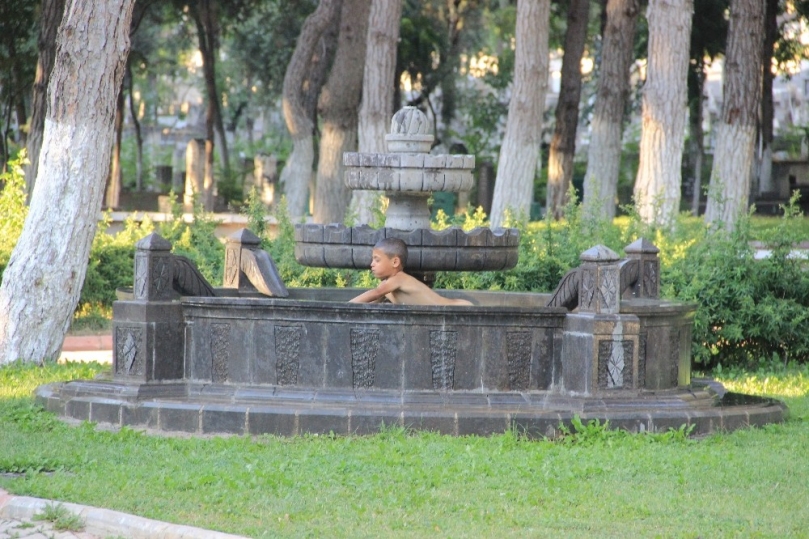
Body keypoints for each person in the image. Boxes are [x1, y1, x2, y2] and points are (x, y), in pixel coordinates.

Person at [349, 238, 473, 306]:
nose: (372, 264)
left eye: (377, 260)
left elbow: (375, 293)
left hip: (458, 308)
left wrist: (346, 306)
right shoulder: (386, 287)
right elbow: (371, 303)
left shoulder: (399, 278)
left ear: (395, 262)